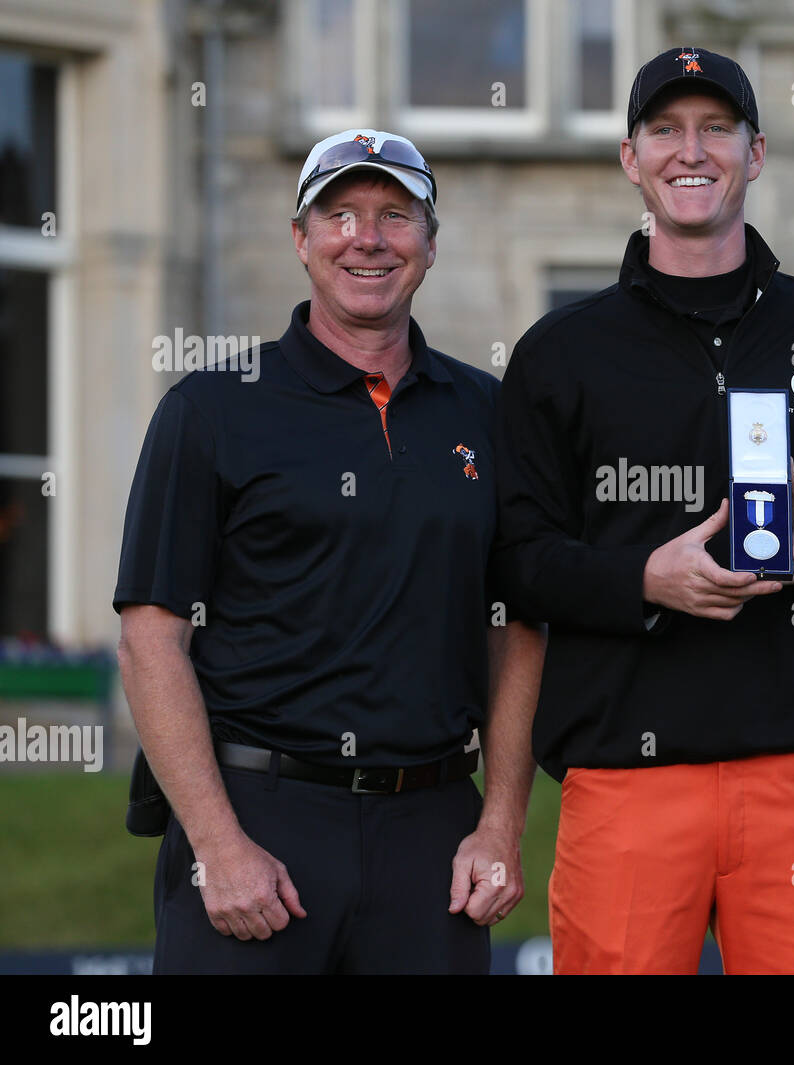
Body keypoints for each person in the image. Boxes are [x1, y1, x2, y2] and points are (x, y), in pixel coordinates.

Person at [114, 129, 544, 974]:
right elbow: (149, 638)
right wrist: (218, 842)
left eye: (394, 214)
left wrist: (498, 825)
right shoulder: (211, 409)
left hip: (433, 834)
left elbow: (517, 628)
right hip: (260, 823)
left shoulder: (490, 414)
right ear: (302, 239)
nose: (367, 237)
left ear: (428, 241)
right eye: (339, 213)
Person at [495, 48, 794, 974]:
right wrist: (643, 578)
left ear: (757, 152)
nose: (691, 149)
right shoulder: (561, 351)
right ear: (631, 158)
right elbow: (517, 559)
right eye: (666, 129)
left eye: (717, 127)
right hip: (627, 775)